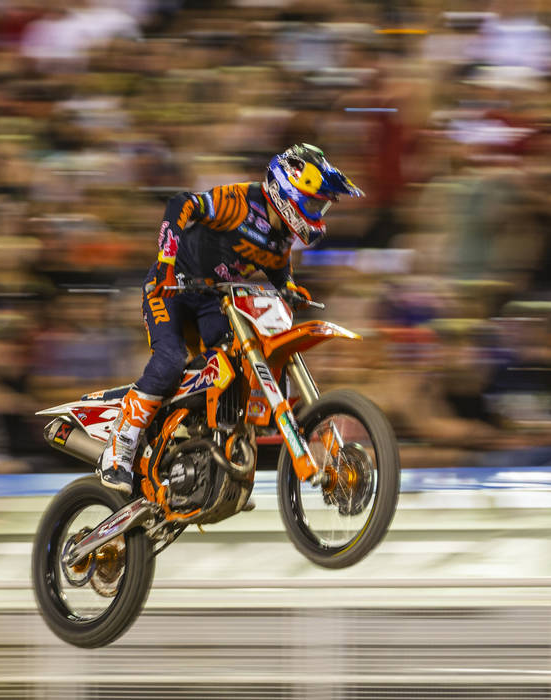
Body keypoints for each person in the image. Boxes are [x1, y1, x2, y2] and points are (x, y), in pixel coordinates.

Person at [98, 144, 363, 494]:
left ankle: (209, 450)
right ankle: (120, 445)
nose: (316, 213)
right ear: (287, 190)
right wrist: (166, 258)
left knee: (231, 362)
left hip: (214, 298)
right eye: (313, 202)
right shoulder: (239, 201)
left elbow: (276, 264)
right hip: (170, 288)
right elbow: (182, 203)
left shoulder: (281, 234)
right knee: (170, 360)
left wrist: (288, 287)